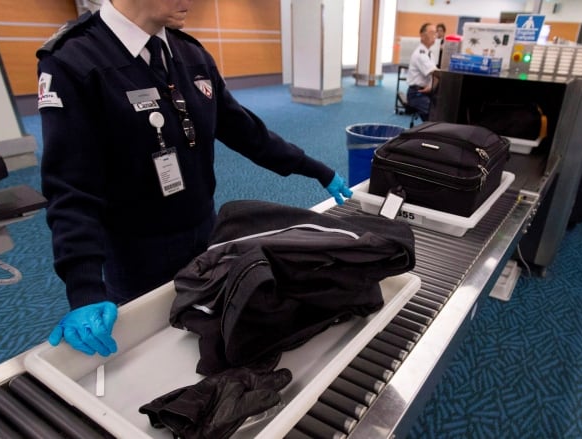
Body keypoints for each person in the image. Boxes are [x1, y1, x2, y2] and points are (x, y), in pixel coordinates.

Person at [38, 0, 353, 357]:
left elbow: (247, 132)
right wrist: (84, 288)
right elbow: (71, 187)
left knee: (200, 337)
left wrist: (315, 168)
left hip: (203, 233)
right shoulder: (73, 61)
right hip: (135, 253)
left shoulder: (189, 54)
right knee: (151, 354)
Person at [406, 23, 439, 122]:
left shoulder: (430, 53)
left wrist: (432, 86)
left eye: (435, 33)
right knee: (433, 116)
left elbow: (435, 74)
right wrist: (433, 86)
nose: (435, 36)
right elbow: (436, 73)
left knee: (443, 109)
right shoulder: (421, 53)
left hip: (426, 92)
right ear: (422, 35)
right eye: (432, 32)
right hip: (417, 93)